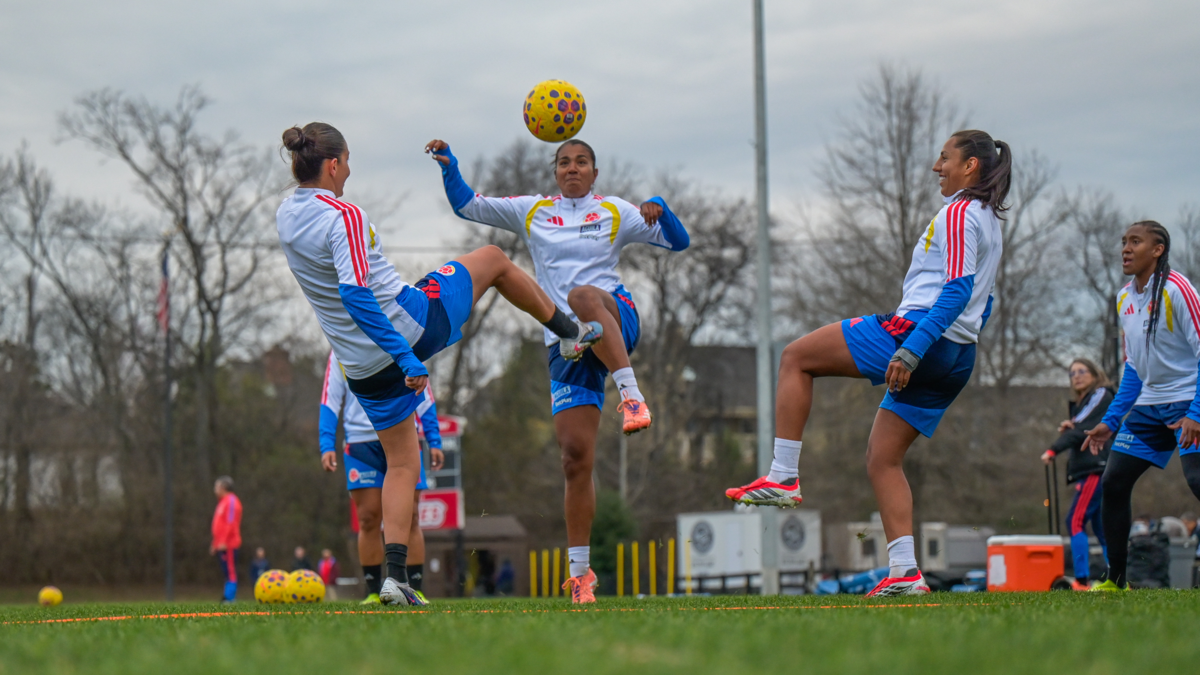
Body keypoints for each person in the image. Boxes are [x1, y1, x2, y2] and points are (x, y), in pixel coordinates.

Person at [277, 122, 590, 606]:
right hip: (409, 327)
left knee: (403, 462)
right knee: (493, 259)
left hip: (359, 368)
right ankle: (570, 334)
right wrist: (406, 355)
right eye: (348, 161)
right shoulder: (344, 215)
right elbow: (359, 296)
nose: (350, 170)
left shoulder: (286, 214)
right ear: (334, 164)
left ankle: (396, 578)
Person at [725, 130, 1010, 597]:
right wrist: (956, 341)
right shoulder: (990, 219)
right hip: (959, 356)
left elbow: (957, 290)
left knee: (795, 357)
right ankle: (905, 573)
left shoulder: (959, 213)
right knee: (883, 458)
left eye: (945, 158)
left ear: (971, 166)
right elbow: (986, 300)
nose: (937, 167)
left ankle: (783, 476)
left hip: (921, 336)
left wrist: (913, 347)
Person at [424, 137, 690, 603]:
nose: (572, 169)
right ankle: (581, 577)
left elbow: (678, 241)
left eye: (581, 162)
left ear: (594, 172)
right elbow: (468, 206)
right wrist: (450, 166)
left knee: (583, 296)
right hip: (565, 342)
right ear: (554, 172)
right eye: (564, 162)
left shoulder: (614, 211)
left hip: (612, 317)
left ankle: (631, 396)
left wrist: (660, 209)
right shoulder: (533, 211)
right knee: (573, 457)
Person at [1084, 220, 1200, 591]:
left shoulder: (1179, 290)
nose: (1126, 249)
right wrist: (1112, 420)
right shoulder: (1123, 299)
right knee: (1114, 483)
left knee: (1197, 482)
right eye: (1123, 242)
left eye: (1136, 241)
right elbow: (1133, 366)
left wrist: (1196, 414)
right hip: (1149, 406)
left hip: (1189, 400)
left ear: (1158, 249)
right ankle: (1116, 580)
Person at [319, 349, 445, 604]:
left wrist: (434, 438)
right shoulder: (340, 349)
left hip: (403, 435)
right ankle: (374, 592)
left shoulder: (402, 337)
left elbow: (424, 393)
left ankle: (414, 587)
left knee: (410, 515)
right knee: (368, 518)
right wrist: (326, 443)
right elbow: (330, 400)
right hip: (360, 443)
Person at [1040, 358, 1113, 589]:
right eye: (1072, 373)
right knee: (1102, 528)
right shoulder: (1083, 403)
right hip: (1091, 469)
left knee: (1075, 521)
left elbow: (1084, 429)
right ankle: (1119, 580)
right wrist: (1072, 424)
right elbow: (1080, 425)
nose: (1077, 376)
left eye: (1082, 371)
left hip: (1095, 468)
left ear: (1094, 373)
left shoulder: (1101, 393)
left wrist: (1053, 449)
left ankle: (1081, 580)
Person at [210, 475, 243, 603]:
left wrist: (223, 541)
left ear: (224, 487)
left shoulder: (231, 501)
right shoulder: (223, 502)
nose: (215, 490)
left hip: (229, 543)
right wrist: (215, 542)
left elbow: (230, 523)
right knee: (225, 571)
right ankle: (227, 596)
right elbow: (219, 525)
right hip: (221, 543)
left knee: (230, 570)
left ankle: (230, 598)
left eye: (216, 486)